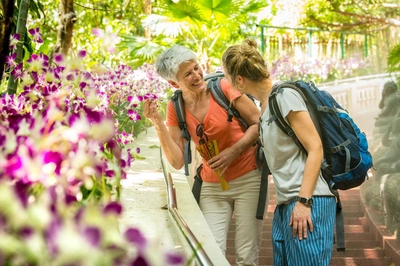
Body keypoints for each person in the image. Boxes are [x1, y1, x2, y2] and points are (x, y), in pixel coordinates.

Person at [143, 44, 265, 266]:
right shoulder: (175, 106)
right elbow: (177, 161)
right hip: (211, 185)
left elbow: (259, 123)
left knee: (246, 256)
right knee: (209, 253)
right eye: (188, 74)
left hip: (248, 177)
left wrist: (234, 150)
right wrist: (158, 123)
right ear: (173, 83)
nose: (197, 75)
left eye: (197, 68)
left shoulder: (224, 88)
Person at [222, 39, 336, 266]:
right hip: (286, 205)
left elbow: (315, 148)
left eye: (228, 78)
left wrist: (304, 202)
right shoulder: (264, 110)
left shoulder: (284, 96)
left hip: (308, 200)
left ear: (240, 80)